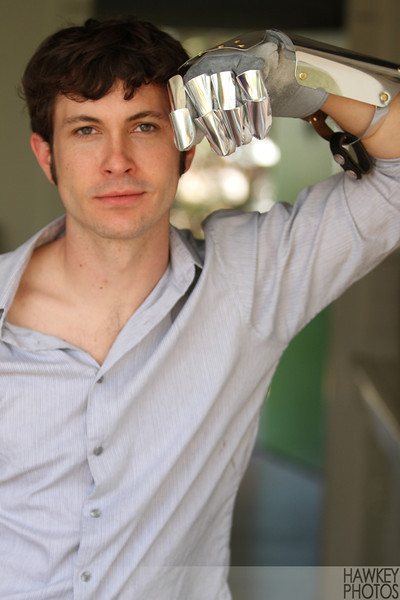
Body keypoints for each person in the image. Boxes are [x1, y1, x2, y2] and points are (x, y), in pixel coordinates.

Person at [0, 15, 399, 600]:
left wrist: (299, 74)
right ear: (46, 156)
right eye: (86, 130)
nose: (117, 160)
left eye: (144, 126)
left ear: (185, 150)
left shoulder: (250, 281)